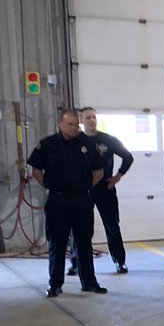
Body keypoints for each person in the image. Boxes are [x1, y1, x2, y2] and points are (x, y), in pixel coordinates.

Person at [27, 108, 108, 297]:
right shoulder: (48, 145)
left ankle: (89, 282)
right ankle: (55, 284)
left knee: (84, 243)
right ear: (60, 125)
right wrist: (48, 185)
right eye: (69, 124)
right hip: (58, 200)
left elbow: (99, 172)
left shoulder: (88, 144)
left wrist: (86, 186)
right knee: (57, 243)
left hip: (81, 199)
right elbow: (36, 170)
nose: (74, 128)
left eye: (76, 124)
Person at [68, 107, 134, 276]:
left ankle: (120, 261)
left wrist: (117, 177)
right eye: (88, 118)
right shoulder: (75, 141)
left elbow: (128, 157)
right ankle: (77, 263)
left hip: (105, 189)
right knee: (81, 227)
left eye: (94, 117)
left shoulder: (107, 140)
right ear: (81, 121)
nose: (92, 120)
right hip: (83, 190)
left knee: (111, 225)